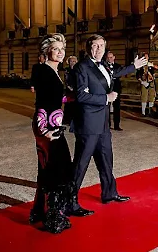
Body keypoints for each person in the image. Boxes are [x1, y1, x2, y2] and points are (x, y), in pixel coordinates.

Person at [69, 34, 147, 217]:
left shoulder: (103, 65)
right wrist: (106, 98)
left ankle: (109, 193)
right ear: (89, 48)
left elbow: (113, 74)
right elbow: (81, 96)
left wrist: (133, 67)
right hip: (88, 125)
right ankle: (69, 201)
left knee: (106, 160)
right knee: (80, 164)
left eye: (102, 46)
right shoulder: (82, 67)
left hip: (103, 124)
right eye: (95, 46)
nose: (98, 49)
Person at [30, 33, 73, 234]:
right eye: (56, 49)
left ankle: (40, 211)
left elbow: (56, 99)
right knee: (56, 169)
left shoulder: (56, 72)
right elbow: (42, 102)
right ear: (47, 51)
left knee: (50, 169)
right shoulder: (41, 70)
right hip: (47, 127)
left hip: (54, 124)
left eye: (62, 49)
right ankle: (52, 218)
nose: (60, 52)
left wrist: (71, 99)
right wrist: (44, 130)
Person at [106, 51, 123, 131]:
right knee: (107, 108)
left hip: (116, 88)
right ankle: (107, 125)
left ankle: (117, 125)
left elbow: (119, 75)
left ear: (114, 57)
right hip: (108, 89)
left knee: (117, 107)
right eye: (108, 57)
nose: (110, 59)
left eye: (111, 57)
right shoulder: (104, 66)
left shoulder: (118, 66)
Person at [63, 55, 78, 129]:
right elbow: (66, 80)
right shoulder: (67, 70)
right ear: (68, 62)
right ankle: (67, 119)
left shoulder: (78, 69)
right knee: (68, 105)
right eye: (71, 61)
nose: (73, 63)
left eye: (74, 61)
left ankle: (74, 120)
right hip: (69, 90)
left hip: (77, 89)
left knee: (75, 105)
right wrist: (69, 87)